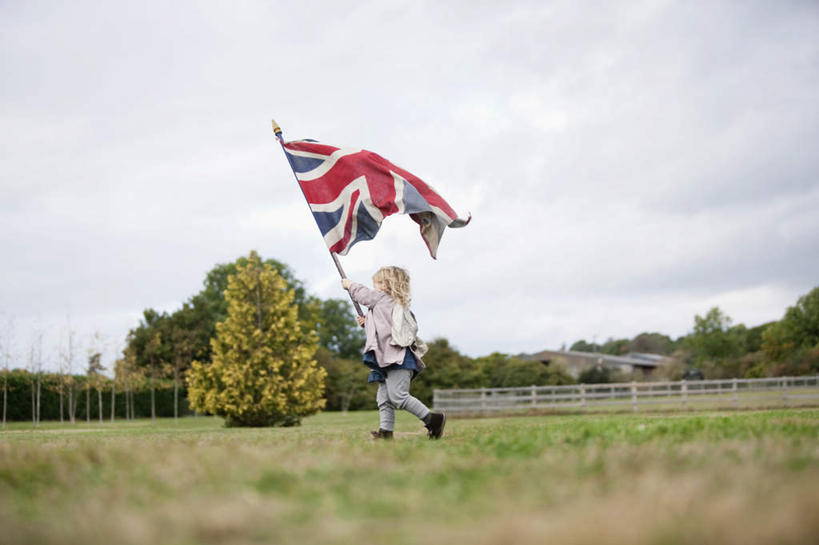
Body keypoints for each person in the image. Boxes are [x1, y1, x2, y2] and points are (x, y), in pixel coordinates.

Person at [342, 266, 446, 440]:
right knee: (384, 398)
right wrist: (367, 322)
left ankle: (433, 419)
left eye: (379, 282)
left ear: (388, 285)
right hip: (384, 357)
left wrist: (350, 285)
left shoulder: (381, 298)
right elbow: (384, 327)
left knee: (398, 396)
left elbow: (364, 296)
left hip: (397, 357)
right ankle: (385, 432)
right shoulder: (390, 305)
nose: (375, 286)